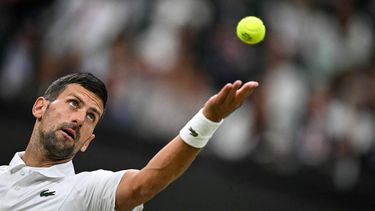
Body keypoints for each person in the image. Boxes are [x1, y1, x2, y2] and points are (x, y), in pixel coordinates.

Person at [0, 72, 259, 211]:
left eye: (92, 116)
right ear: (39, 108)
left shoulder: (86, 191)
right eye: (73, 103)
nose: (80, 118)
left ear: (88, 141)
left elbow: (144, 185)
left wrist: (208, 120)